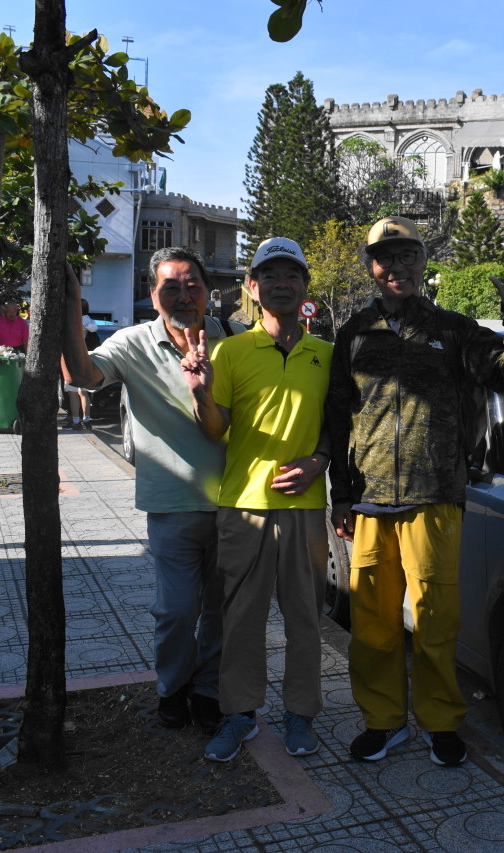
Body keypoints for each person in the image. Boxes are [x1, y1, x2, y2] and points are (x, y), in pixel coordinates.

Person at [326, 216, 504, 767]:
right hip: (370, 499)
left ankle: (440, 721)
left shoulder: (454, 330)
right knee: (372, 625)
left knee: (435, 621)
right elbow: (338, 415)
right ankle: (383, 721)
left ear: (423, 262)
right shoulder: (354, 333)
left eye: (407, 255)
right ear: (371, 267)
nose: (395, 266)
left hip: (436, 496)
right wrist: (340, 496)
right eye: (384, 257)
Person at [61, 246, 243, 737]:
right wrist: (71, 307)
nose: (184, 295)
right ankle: (173, 687)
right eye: (171, 287)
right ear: (152, 293)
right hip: (172, 503)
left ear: (208, 290)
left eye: (192, 285)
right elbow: (81, 376)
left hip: (235, 503)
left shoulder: (236, 338)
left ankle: (209, 691)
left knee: (223, 611)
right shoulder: (132, 343)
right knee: (177, 611)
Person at [184, 237, 332, 762]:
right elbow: (214, 429)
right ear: (252, 286)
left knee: (305, 620)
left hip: (305, 509)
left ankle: (300, 714)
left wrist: (319, 460)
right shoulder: (230, 351)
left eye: (291, 274)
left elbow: (337, 425)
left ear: (305, 286)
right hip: (243, 506)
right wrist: (200, 392)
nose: (281, 283)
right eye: (269, 275)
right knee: (241, 619)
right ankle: (239, 714)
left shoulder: (326, 355)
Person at [63, 299, 99, 430]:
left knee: (73, 392)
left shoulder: (70, 320)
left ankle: (76, 421)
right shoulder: (89, 321)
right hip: (85, 358)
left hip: (71, 359)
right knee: (84, 391)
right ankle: (87, 419)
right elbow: (94, 330)